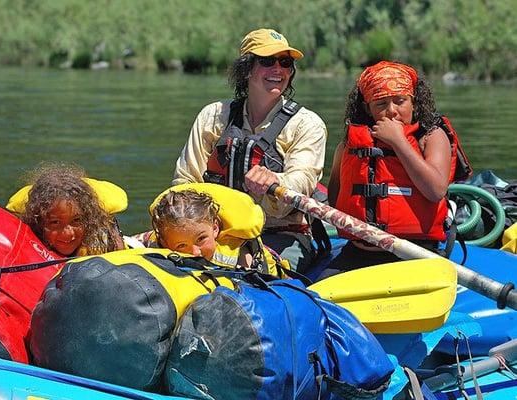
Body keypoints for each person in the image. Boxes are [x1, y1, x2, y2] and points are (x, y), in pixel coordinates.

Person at [172, 28, 328, 273]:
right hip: (215, 233)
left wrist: (275, 180)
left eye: (285, 62)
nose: (278, 70)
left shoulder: (307, 124)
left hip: (280, 233)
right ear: (246, 69)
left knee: (246, 270)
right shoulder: (213, 116)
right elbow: (184, 182)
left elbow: (302, 180)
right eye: (267, 61)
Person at [322, 61, 471, 277]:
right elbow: (336, 199)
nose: (392, 111)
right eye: (381, 104)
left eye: (400, 101)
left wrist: (399, 142)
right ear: (367, 109)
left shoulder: (431, 137)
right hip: (359, 252)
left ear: (414, 102)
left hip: (415, 254)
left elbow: (436, 190)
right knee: (314, 299)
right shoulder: (349, 145)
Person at [149, 183, 289, 276]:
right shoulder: (160, 240)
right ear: (165, 243)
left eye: (201, 239)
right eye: (181, 245)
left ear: (215, 228)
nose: (195, 252)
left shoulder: (241, 254)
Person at [6, 162, 126, 257]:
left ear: (88, 218)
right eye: (55, 222)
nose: (68, 233)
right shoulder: (29, 236)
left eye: (77, 220)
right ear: (38, 222)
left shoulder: (102, 240)